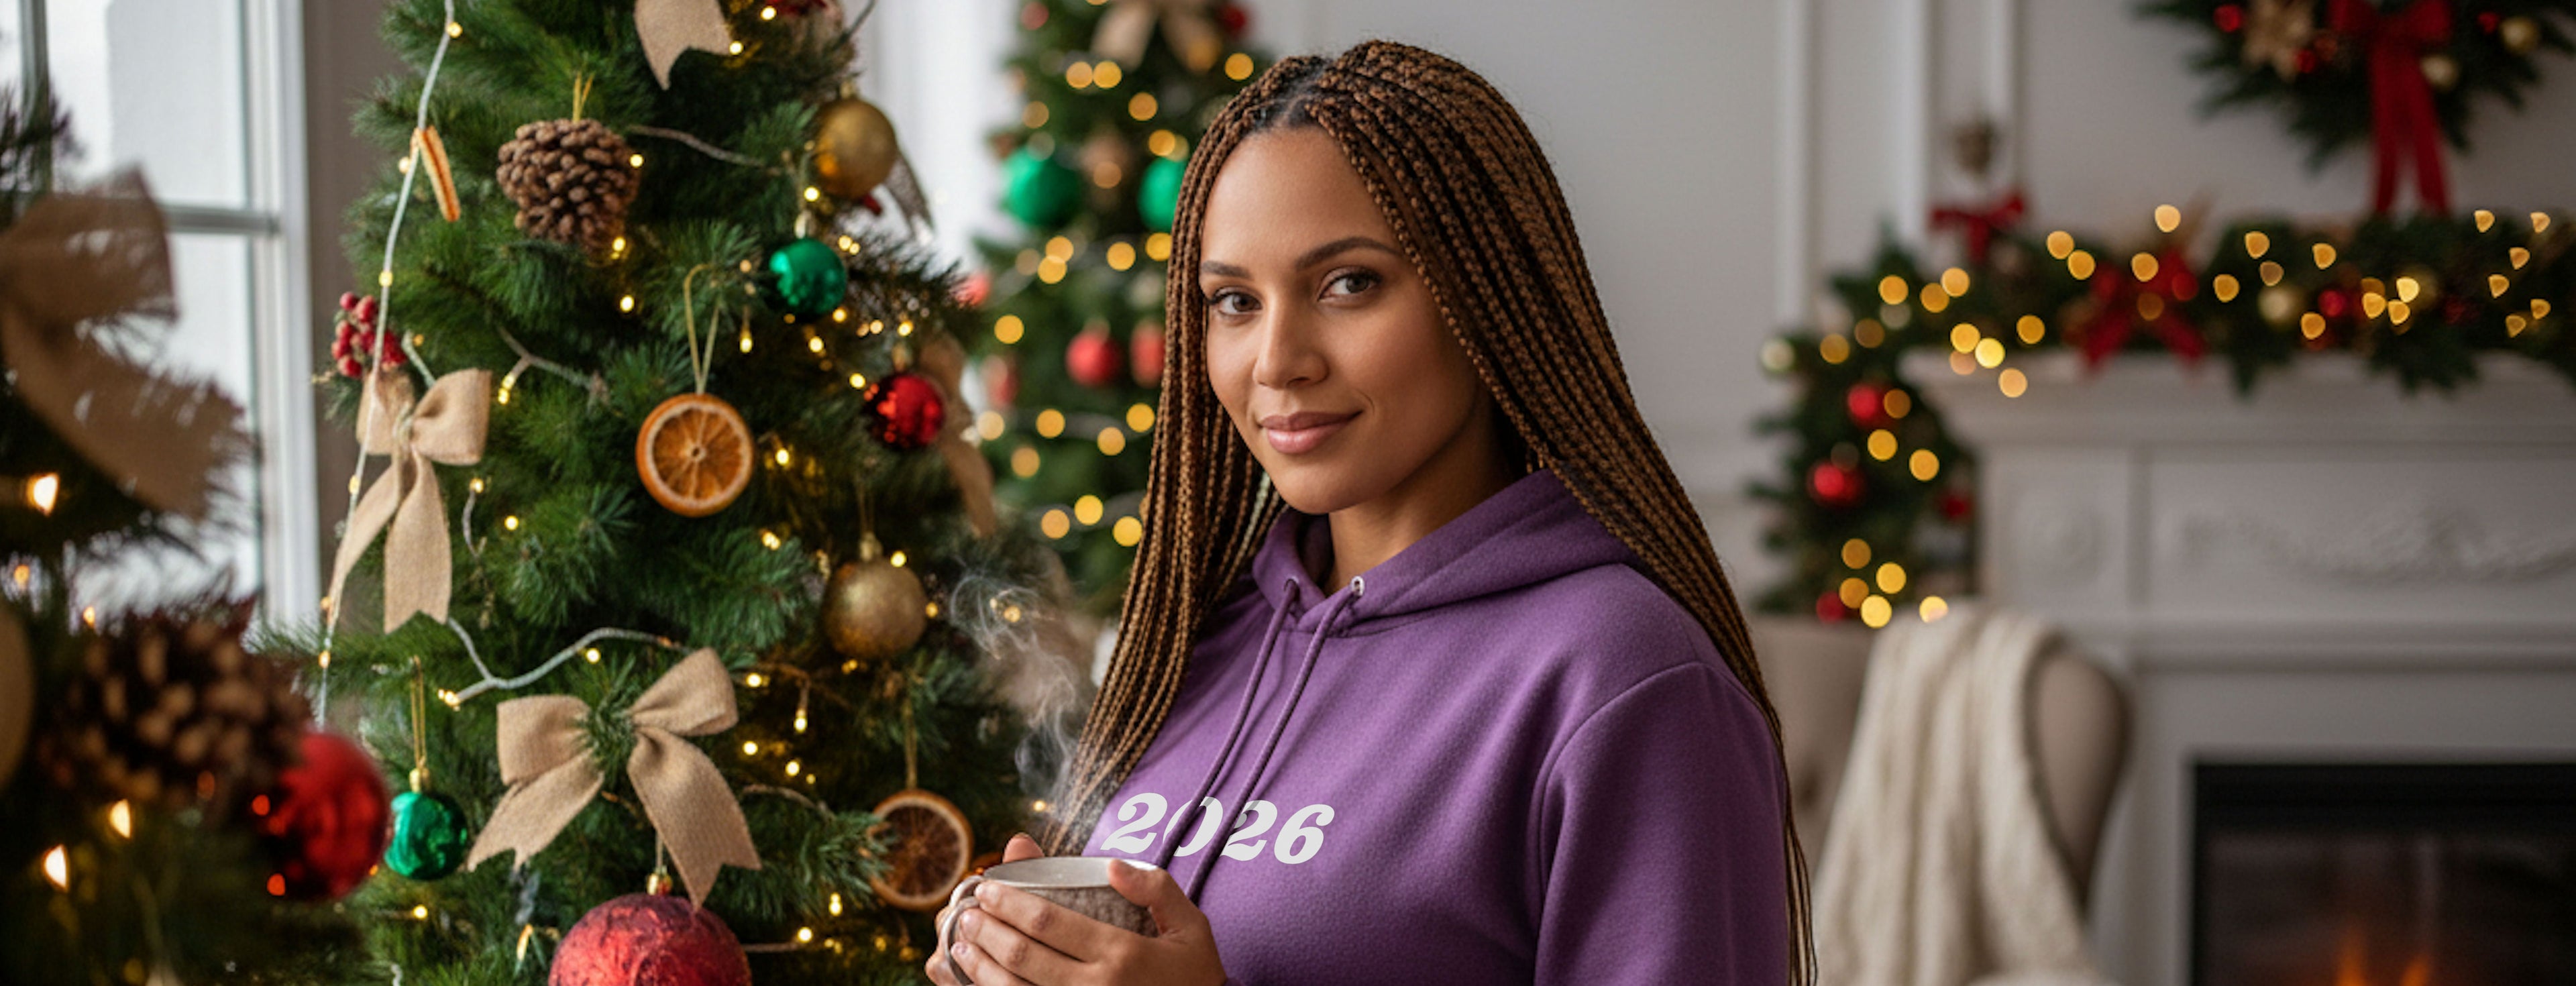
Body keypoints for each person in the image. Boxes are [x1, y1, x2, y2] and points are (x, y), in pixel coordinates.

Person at [932, 39, 1809, 986]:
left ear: (1484, 293)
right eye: (1233, 300)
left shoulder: (1624, 678)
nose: (1277, 360)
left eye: (1348, 284)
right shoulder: (1203, 640)